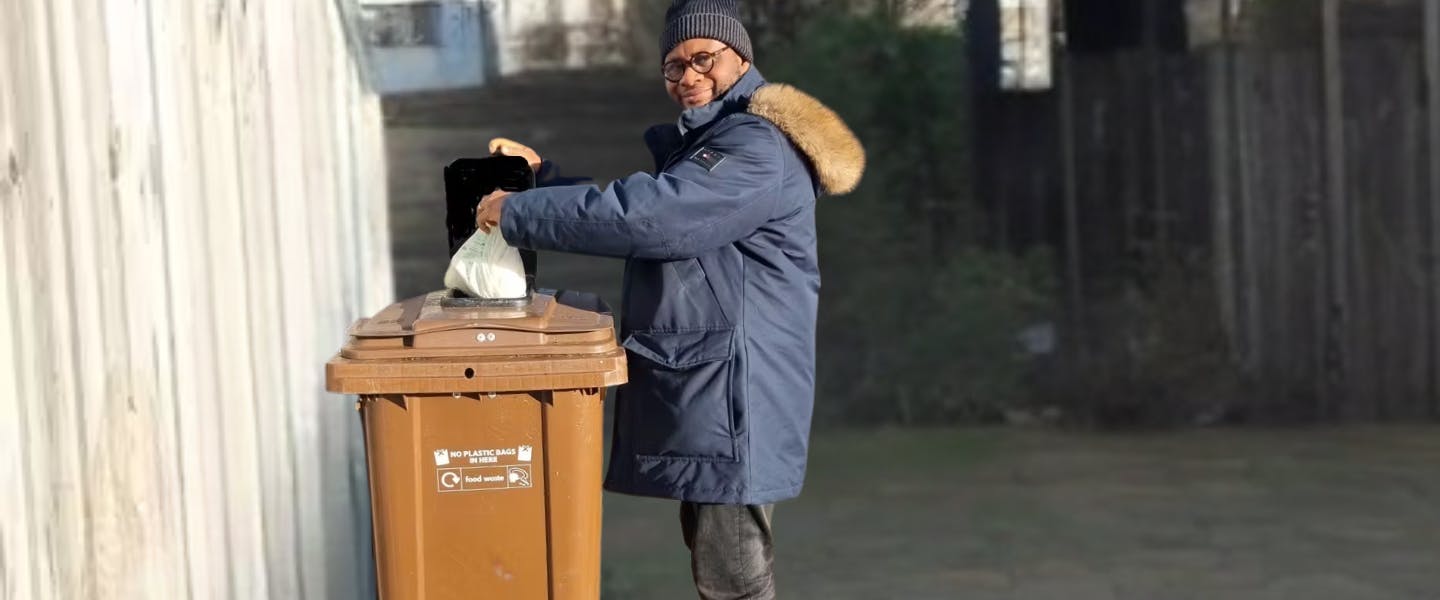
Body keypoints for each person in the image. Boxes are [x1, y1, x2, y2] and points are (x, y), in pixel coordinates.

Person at [475, 1, 864, 597]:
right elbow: (651, 203)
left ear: (741, 58)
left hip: (736, 394)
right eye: (673, 67)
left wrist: (520, 212)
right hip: (721, 388)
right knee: (721, 568)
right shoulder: (722, 144)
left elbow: (654, 218)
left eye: (703, 58)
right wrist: (543, 176)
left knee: (733, 581)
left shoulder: (754, 147)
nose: (687, 77)